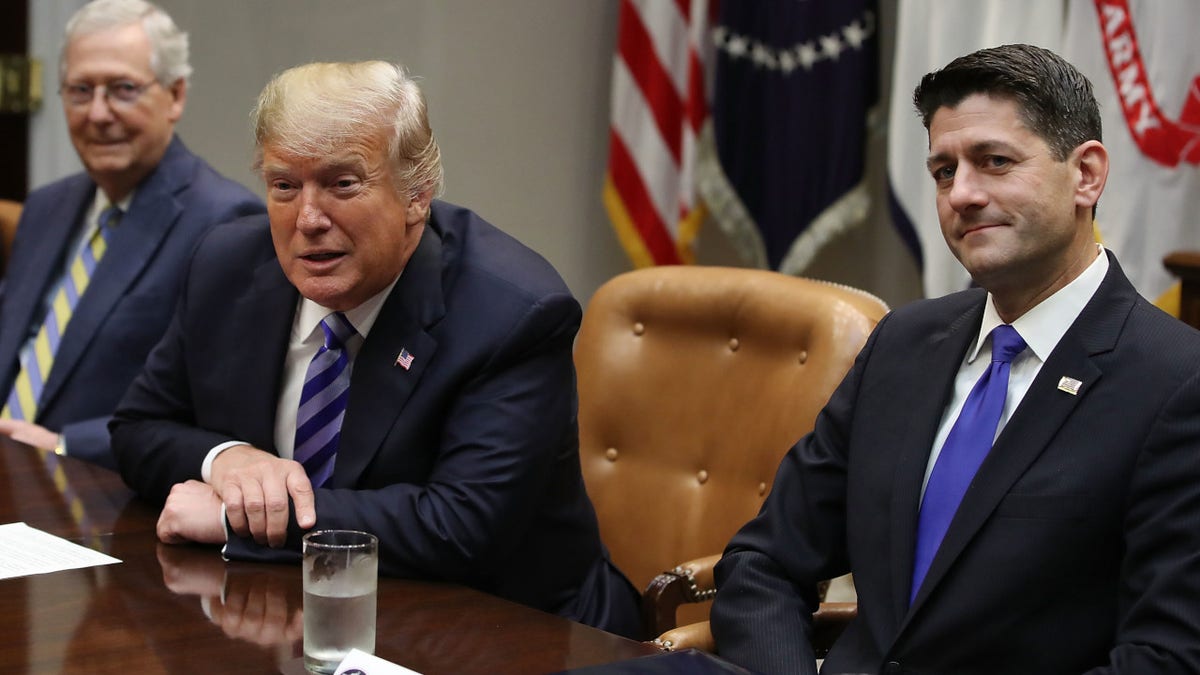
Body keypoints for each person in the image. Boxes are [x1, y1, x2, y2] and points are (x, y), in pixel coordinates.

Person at [710, 43, 1200, 674]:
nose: (961, 194)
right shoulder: (903, 343)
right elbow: (763, 563)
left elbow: (1166, 659)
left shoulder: (1178, 384)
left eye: (994, 162)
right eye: (944, 172)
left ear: (1087, 175)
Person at [110, 60, 640, 637]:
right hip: (284, 620)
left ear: (417, 195)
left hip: (507, 632)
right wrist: (229, 458)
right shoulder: (227, 265)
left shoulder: (513, 314)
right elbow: (138, 426)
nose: (308, 219)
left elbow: (459, 527)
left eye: (342, 184)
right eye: (284, 185)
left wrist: (240, 517)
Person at [0, 0, 264, 468]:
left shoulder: (227, 223)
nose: (98, 114)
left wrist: (64, 445)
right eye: (81, 90)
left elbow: (213, 413)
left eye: (123, 89)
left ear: (175, 95)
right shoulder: (47, 206)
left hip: (98, 492)